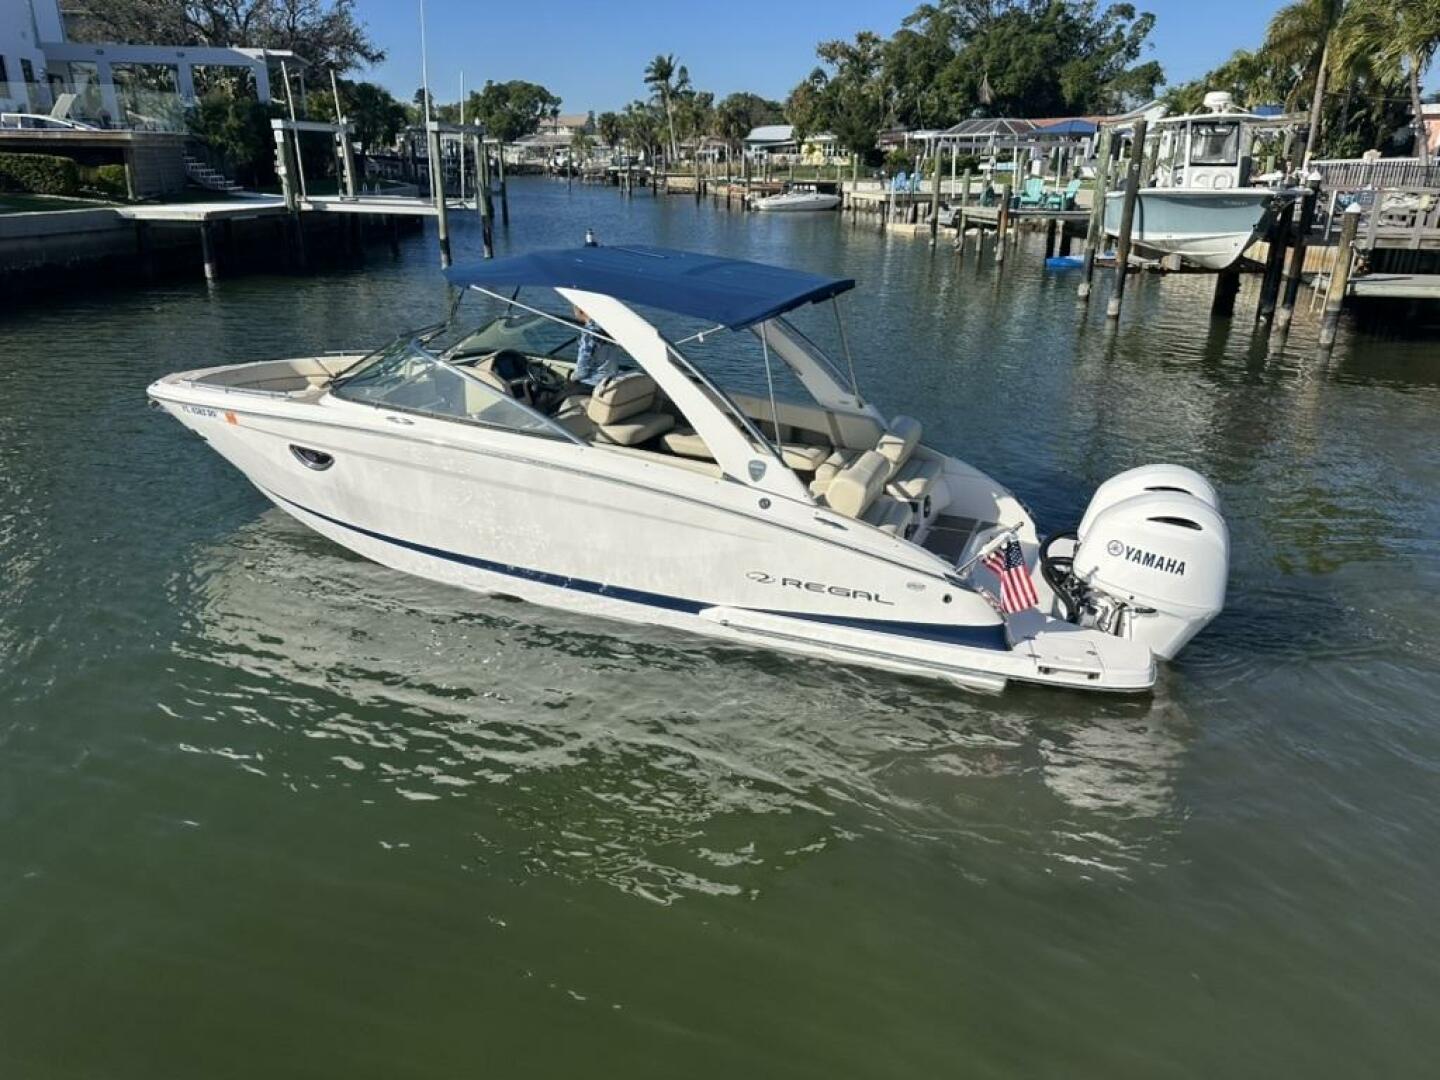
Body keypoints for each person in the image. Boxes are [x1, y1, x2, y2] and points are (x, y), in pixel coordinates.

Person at [572, 305, 618, 387]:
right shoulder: (607, 329)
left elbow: (584, 360)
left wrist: (574, 378)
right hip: (610, 380)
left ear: (581, 311)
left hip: (591, 382)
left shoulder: (590, 332)